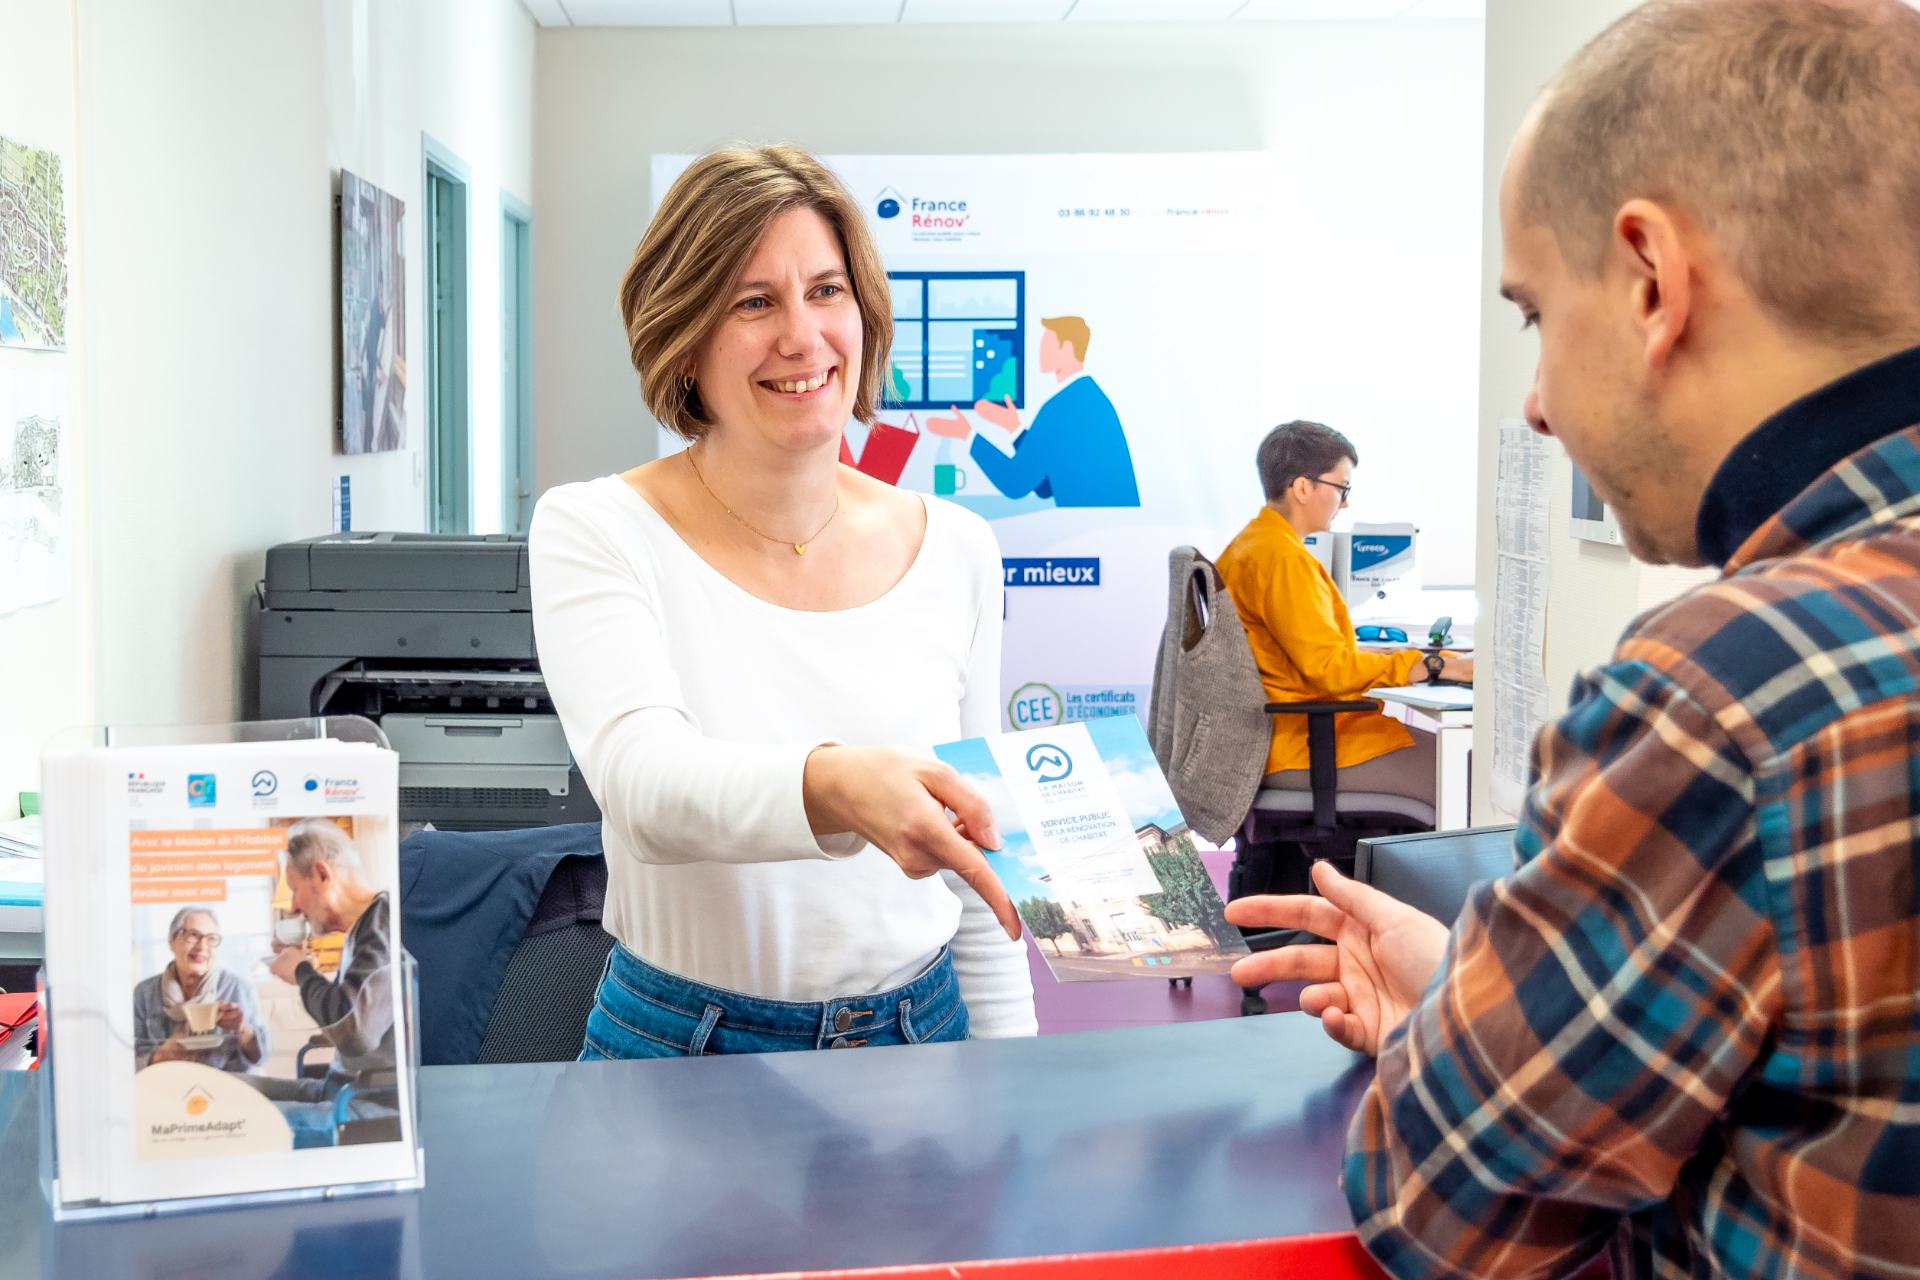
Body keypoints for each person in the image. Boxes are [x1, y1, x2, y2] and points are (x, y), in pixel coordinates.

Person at [1229, 3, 1920, 1277]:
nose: (1535, 402)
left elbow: (1448, 1214)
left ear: (1652, 280)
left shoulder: (1725, 697)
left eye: (1537, 314)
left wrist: (1468, 1015)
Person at [529, 144, 1035, 1060]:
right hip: (684, 1050)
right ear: (683, 336)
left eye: (827, 291)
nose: (802, 337)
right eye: (753, 301)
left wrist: (1015, 1079)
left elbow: (976, 864)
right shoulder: (597, 527)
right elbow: (643, 786)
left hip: (923, 1037)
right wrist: (836, 783)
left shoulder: (957, 545)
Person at [1213, 421, 1471, 893]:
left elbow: (1315, 654)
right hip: (1300, 745)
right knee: (1461, 772)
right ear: (1303, 487)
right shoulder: (1282, 559)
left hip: (1276, 736)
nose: (1346, 502)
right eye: (1341, 488)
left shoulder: (1254, 544)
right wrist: (1437, 664)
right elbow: (1331, 672)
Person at [259, 819, 397, 1146]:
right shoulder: (359, 931)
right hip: (340, 1086)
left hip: (367, 1101)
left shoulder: (384, 924)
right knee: (228, 1089)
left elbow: (355, 1032)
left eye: (294, 889)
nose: (293, 906)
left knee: (238, 1123)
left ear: (322, 875)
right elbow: (347, 1008)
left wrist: (302, 973)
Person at [926, 316, 1141, 507]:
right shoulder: (1087, 396)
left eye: (1046, 344)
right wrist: (1013, 427)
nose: (1040, 351)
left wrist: (967, 434)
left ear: (1066, 348)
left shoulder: (1062, 407)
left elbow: (1014, 483)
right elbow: (1046, 486)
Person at [133, 907, 270, 1073]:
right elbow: (126, 1055)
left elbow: (264, 1055)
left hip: (227, 1087)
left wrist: (243, 1029)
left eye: (211, 938)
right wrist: (160, 1056)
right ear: (171, 941)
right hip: (165, 1087)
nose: (202, 946)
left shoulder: (238, 988)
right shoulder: (145, 993)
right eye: (192, 935)